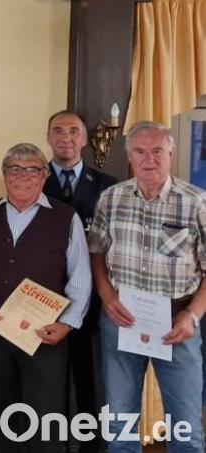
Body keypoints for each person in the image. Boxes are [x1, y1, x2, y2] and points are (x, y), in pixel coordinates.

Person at [89, 121, 206, 452]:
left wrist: (192, 316)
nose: (148, 159)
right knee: (119, 425)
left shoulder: (196, 202)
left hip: (177, 323)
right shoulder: (111, 199)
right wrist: (106, 295)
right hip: (121, 320)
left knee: (185, 427)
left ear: (171, 153)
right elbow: (96, 251)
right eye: (140, 151)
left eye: (157, 151)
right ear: (129, 157)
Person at [0, 143, 91, 453]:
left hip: (45, 335)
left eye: (32, 170)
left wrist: (67, 324)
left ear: (44, 176)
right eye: (15, 169)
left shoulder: (66, 217)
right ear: (4, 174)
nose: (23, 176)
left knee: (45, 416)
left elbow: (80, 276)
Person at [41, 110, 116, 453]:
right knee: (46, 385)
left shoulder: (107, 186)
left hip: (93, 304)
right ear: (48, 138)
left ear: (85, 139)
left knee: (90, 383)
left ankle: (90, 448)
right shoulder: (33, 179)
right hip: (43, 298)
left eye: (73, 131)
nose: (65, 137)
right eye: (58, 130)